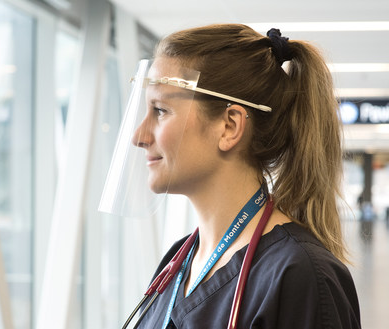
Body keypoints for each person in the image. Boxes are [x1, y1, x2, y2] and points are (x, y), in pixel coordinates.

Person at [129, 24, 361, 329]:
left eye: (160, 110)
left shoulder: (300, 275)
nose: (139, 136)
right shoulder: (178, 261)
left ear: (229, 126)